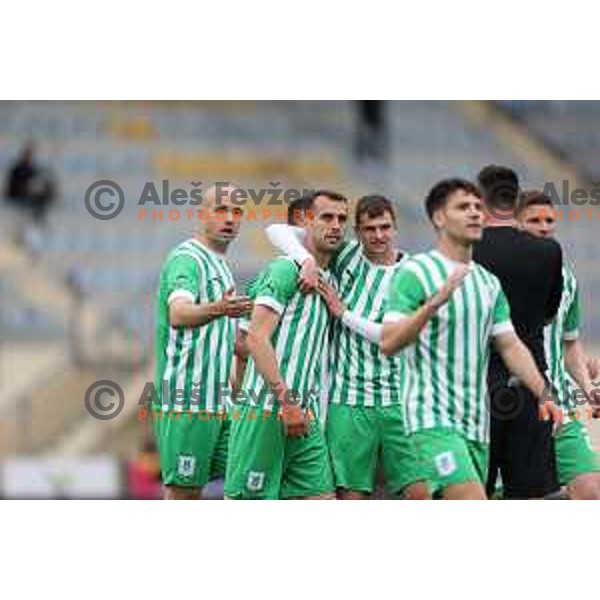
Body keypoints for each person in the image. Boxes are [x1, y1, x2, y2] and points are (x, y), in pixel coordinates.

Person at [380, 178, 559, 500]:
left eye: (478, 207)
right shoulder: (416, 272)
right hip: (431, 418)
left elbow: (510, 345)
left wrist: (544, 392)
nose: (475, 213)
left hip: (477, 423)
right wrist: (433, 304)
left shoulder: (488, 282)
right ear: (438, 217)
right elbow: (389, 341)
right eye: (463, 207)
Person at [265, 194, 429, 499]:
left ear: (396, 227)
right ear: (357, 232)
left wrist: (344, 314)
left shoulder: (414, 272)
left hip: (400, 401)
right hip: (348, 402)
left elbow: (395, 335)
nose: (378, 236)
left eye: (385, 227)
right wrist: (307, 260)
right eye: (369, 229)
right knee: (349, 498)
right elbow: (276, 230)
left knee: (422, 493)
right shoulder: (347, 254)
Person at [224, 190, 349, 499]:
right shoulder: (284, 270)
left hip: (305, 417)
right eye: (327, 217)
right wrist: (286, 402)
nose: (336, 225)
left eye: (342, 219)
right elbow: (255, 338)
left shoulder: (325, 276)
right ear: (306, 221)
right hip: (268, 411)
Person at [153, 183, 253, 500]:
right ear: (202, 214)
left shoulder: (221, 267)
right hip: (187, 399)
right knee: (184, 494)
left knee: (252, 482)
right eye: (221, 210)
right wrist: (220, 308)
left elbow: (232, 344)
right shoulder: (188, 259)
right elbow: (178, 314)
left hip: (221, 403)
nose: (230, 218)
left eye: (236, 212)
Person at [473, 165, 563, 499]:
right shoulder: (548, 252)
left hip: (475, 388)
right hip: (532, 387)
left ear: (480, 199)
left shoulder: (464, 251)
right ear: (515, 199)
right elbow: (548, 315)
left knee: (471, 494)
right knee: (531, 496)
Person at [516, 190, 600, 499]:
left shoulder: (567, 279)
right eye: (534, 220)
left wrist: (588, 388)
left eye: (549, 220)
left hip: (562, 405)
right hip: (512, 407)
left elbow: (571, 345)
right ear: (517, 224)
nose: (544, 226)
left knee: (592, 490)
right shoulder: (498, 276)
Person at [4, 142, 56, 225]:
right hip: (17, 195)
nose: (29, 158)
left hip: (29, 195)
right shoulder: (16, 169)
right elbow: (12, 186)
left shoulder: (32, 168)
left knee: (42, 194)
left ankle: (39, 220)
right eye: (28, 155)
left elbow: (38, 178)